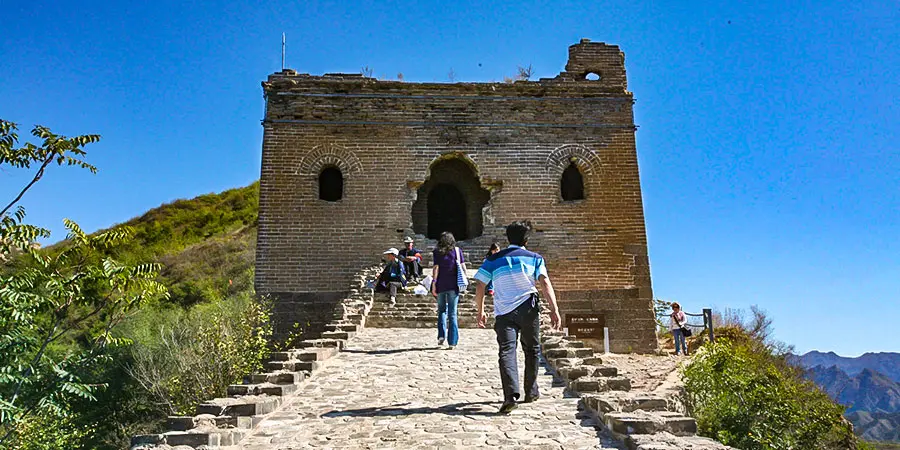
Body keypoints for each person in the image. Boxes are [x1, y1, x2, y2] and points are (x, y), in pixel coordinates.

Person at [474, 220, 562, 414]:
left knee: (507, 351)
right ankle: (531, 391)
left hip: (504, 312)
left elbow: (480, 285)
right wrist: (554, 309)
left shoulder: (494, 259)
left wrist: (480, 310)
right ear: (527, 239)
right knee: (532, 349)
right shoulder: (535, 258)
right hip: (528, 309)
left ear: (508, 238)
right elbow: (545, 283)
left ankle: (510, 396)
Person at [431, 232, 463, 349]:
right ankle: (452, 342)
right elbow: (463, 267)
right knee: (453, 313)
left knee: (441, 311)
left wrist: (434, 284)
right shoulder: (457, 251)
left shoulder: (437, 252)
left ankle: (441, 335)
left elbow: (436, 268)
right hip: (454, 286)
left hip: (440, 285)